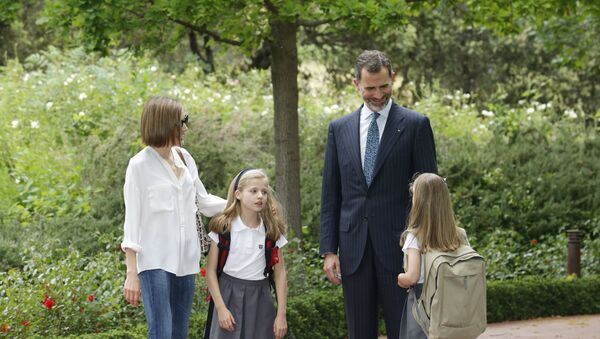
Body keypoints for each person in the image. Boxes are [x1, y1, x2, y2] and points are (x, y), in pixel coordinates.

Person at [320, 50, 438, 339]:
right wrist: (329, 250)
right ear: (356, 84)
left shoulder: (415, 124)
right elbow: (331, 194)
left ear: (393, 78)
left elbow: (429, 195)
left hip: (402, 250)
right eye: (370, 88)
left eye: (384, 86)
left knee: (405, 331)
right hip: (354, 250)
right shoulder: (339, 129)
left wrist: (421, 244)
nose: (377, 94)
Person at [121, 96, 226, 339]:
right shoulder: (139, 165)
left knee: (179, 333)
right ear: (165, 124)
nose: (186, 128)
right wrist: (131, 273)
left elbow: (204, 201)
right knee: (162, 333)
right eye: (182, 122)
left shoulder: (185, 158)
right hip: (154, 261)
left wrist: (239, 203)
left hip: (186, 261)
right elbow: (132, 222)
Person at [205, 168, 288, 339]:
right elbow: (211, 272)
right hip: (227, 296)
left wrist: (281, 315)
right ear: (238, 194)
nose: (260, 196)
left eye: (264, 192)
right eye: (254, 191)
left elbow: (280, 274)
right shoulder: (223, 228)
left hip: (261, 299)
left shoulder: (271, 231)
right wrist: (220, 308)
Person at [397, 173, 464, 339]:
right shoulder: (458, 234)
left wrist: (400, 278)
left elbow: (412, 277)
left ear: (418, 203)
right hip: (451, 303)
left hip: (423, 305)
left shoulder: (415, 236)